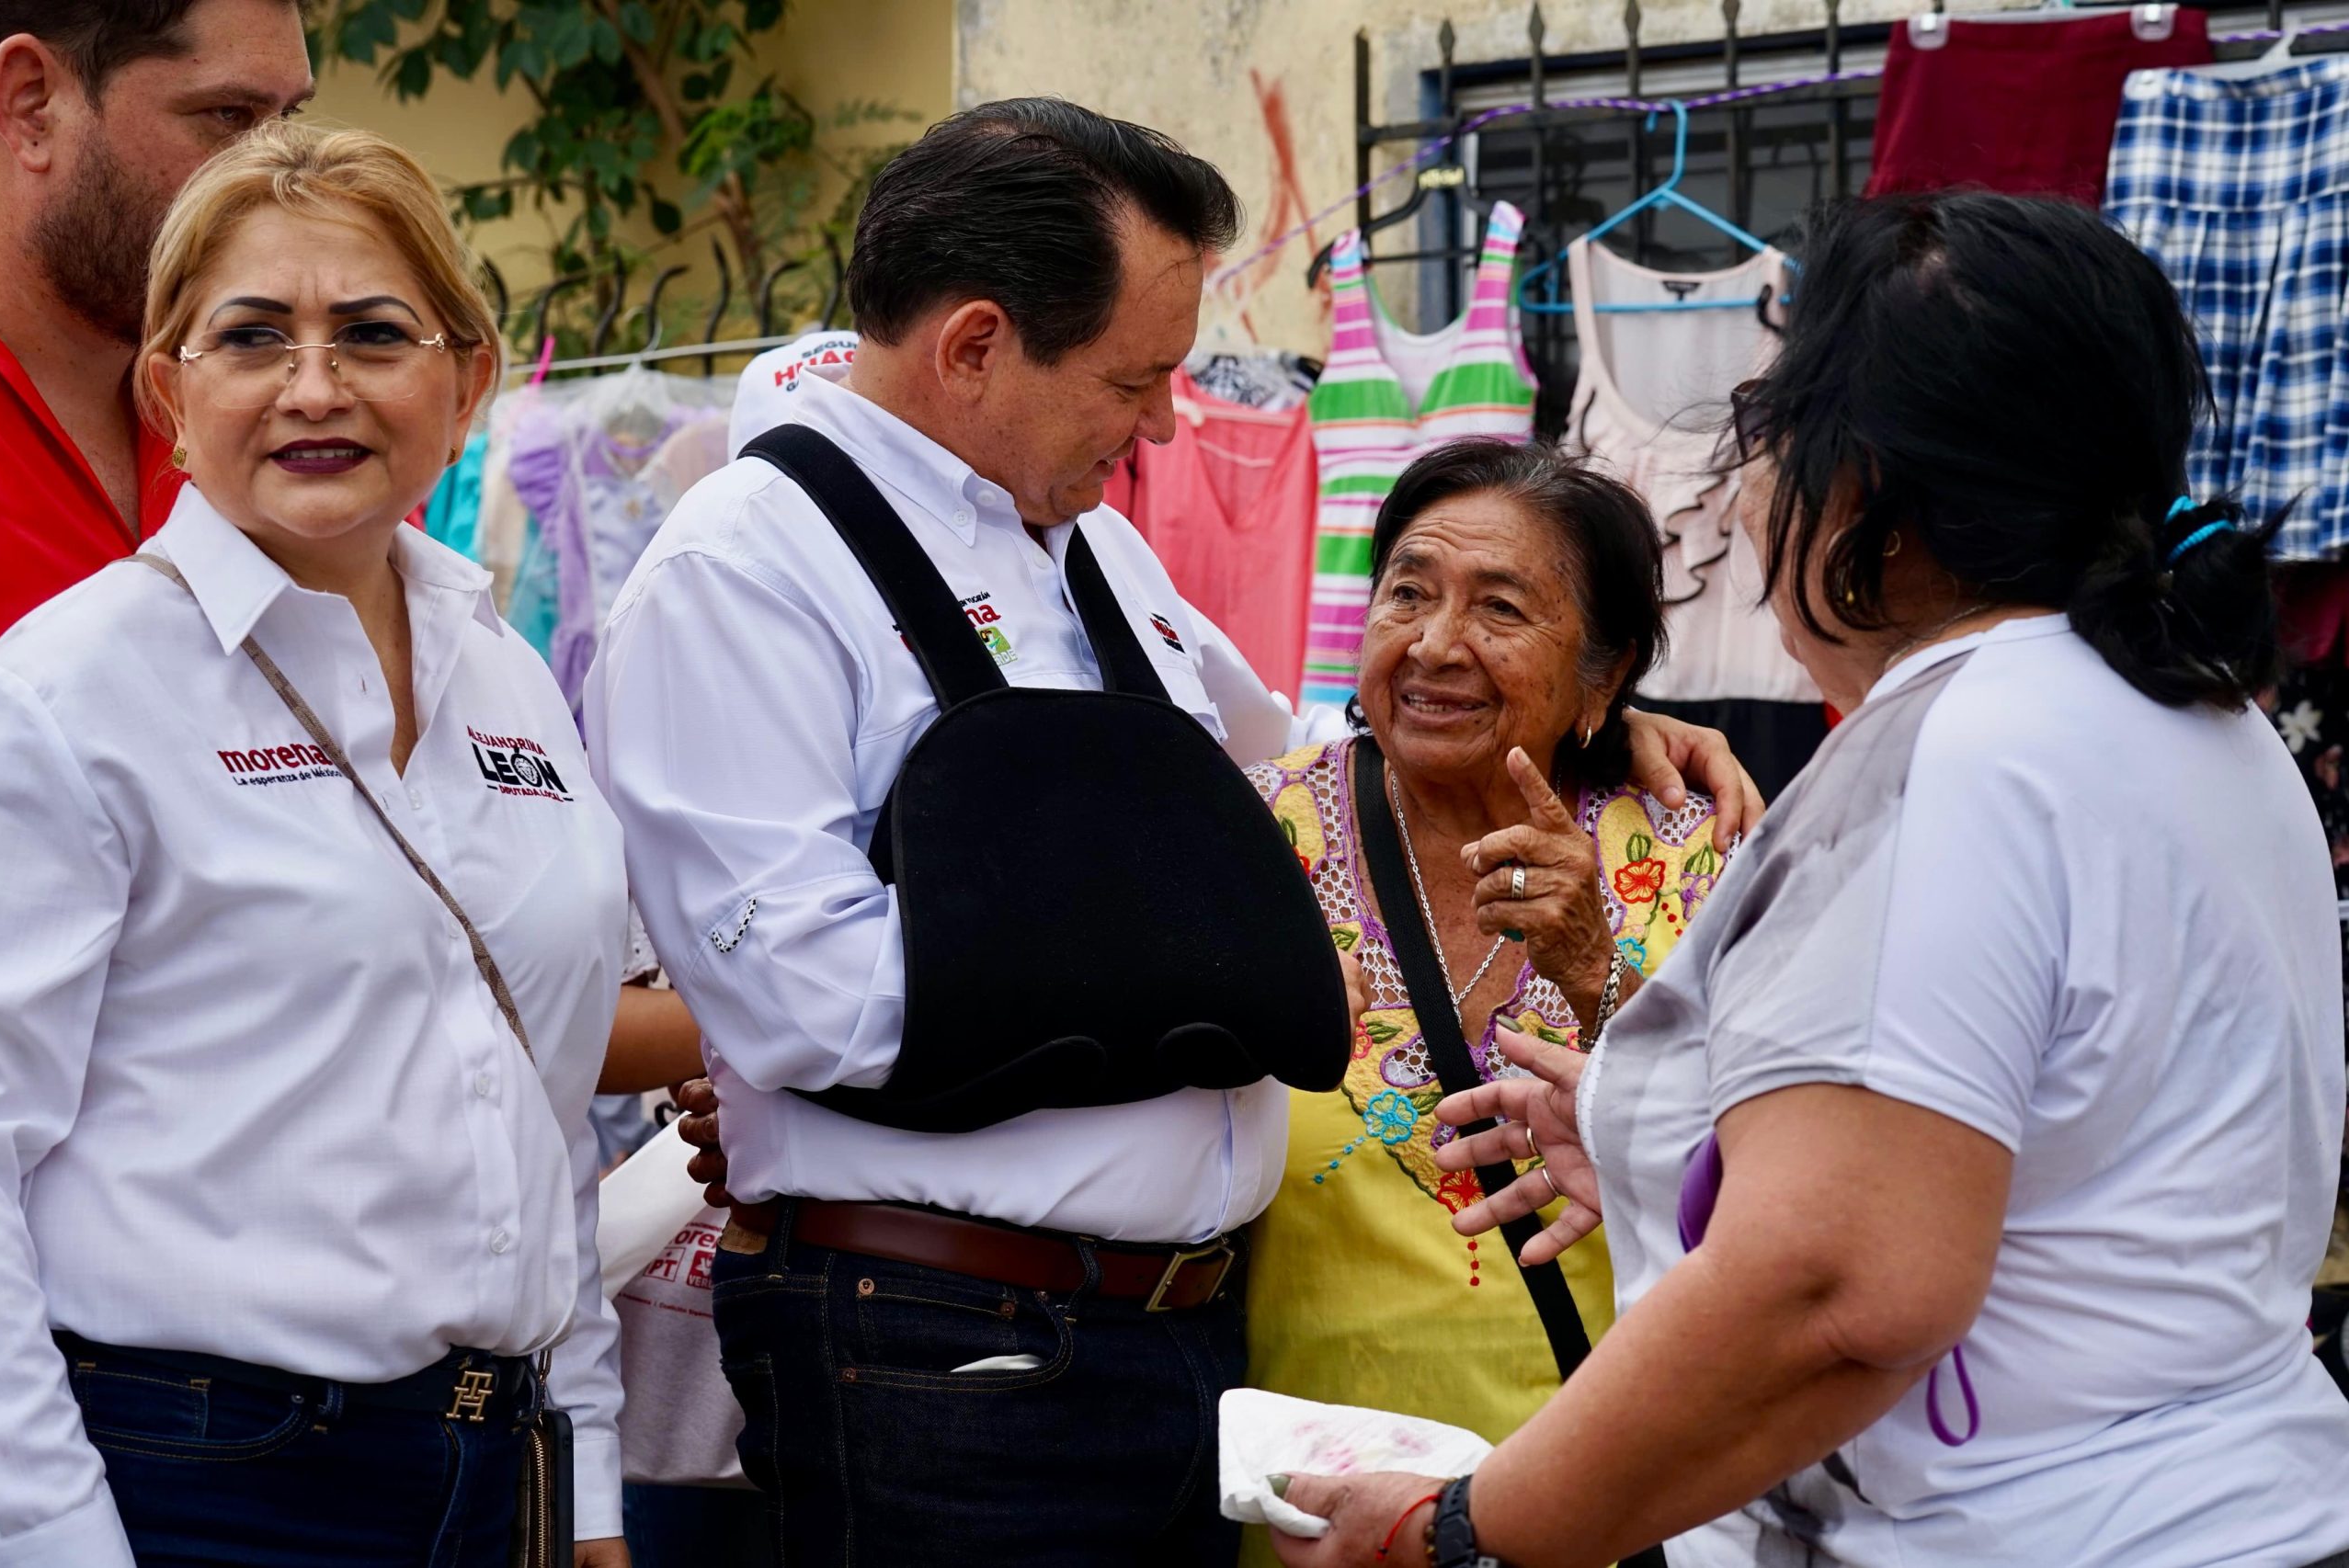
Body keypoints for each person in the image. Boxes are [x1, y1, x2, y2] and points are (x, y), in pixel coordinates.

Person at [588, 97, 1761, 1567]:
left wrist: (1594, 724)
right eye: (1132, 380)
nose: (1158, 427)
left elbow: (1307, 742)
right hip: (948, 1351)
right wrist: (1220, 991)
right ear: (972, 346)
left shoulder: (1085, 545)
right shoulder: (745, 576)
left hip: (1171, 1350)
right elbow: (810, 1002)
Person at [1270, 193, 2349, 1568]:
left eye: (1768, 443)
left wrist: (1468, 1526)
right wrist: (1656, 1145)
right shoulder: (2194, 717)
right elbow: (2057, 1167)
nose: (1752, 492)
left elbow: (1844, 1285)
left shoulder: (1960, 753)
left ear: (1867, 494)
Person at [0, 120, 631, 1568]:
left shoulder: (511, 677)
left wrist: (583, 1476)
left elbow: (539, 1111)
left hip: (498, 1468)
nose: (315, 387)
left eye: (373, 332)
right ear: (169, 387)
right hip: (204, 1485)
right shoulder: (67, 691)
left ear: (467, 381)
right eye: (253, 337)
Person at [1237, 439, 1719, 1568]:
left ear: (1604, 674)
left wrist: (1598, 971)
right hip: (1322, 1504)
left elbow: (1771, 1168)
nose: (1434, 643)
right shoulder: (1254, 840)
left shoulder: (1701, 854)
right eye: (1407, 591)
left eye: (1499, 606)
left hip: (1602, 1501)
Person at [0, 0, 313, 634]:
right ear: (32, 103)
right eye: (229, 117)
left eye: (290, 118)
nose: (277, 183)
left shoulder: (306, 397)